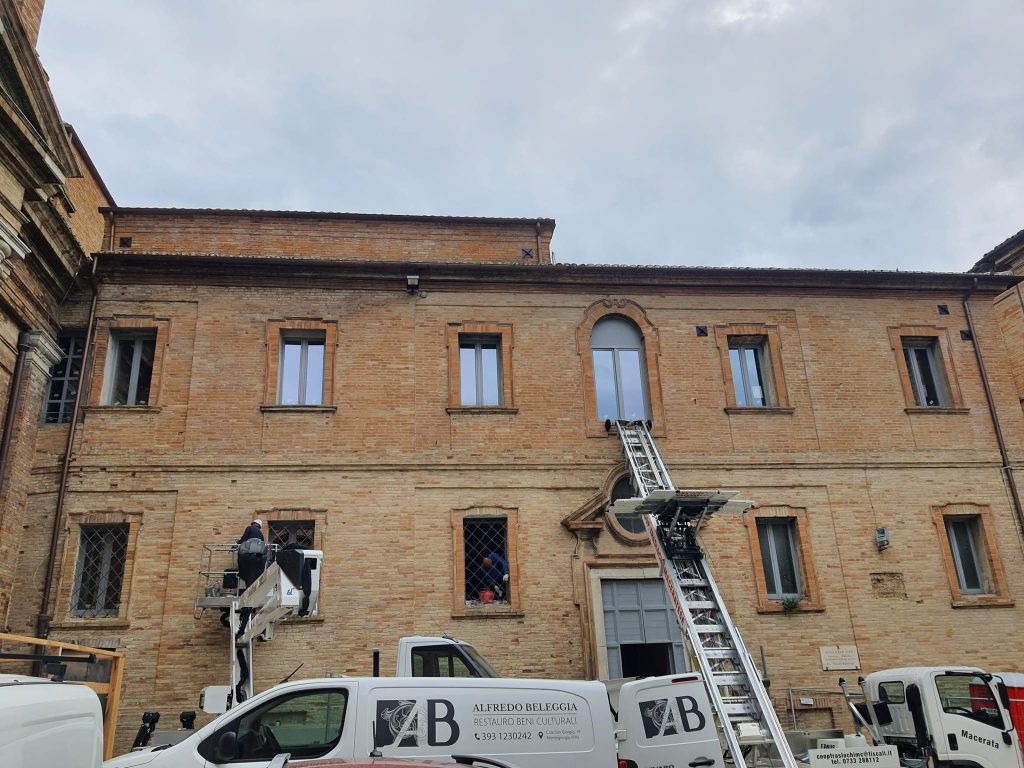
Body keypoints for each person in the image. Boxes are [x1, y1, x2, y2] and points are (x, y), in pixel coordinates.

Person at [237, 519, 268, 588]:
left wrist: (238, 543)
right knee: (254, 575)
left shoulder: (249, 528)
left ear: (253, 523)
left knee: (246, 572)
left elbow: (243, 539)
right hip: (258, 556)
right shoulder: (261, 534)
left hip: (247, 554)